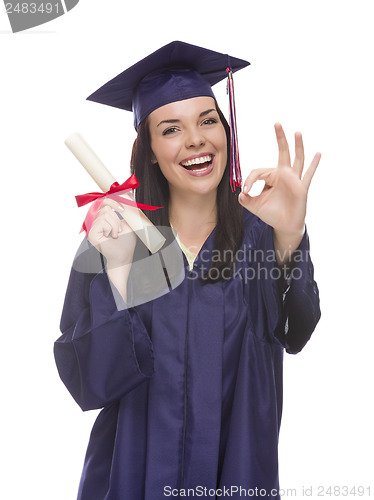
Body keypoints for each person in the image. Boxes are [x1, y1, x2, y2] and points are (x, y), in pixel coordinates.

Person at [55, 41, 321, 500]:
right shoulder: (116, 239)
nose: (195, 138)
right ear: (151, 150)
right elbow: (88, 382)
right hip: (129, 479)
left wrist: (290, 238)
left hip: (236, 476)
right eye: (171, 128)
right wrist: (122, 271)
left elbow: (297, 330)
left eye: (207, 120)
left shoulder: (262, 235)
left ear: (226, 133)